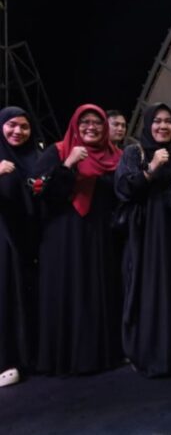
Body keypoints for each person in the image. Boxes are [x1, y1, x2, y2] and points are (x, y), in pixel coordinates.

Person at [35, 104, 124, 375]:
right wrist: (68, 165)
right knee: (66, 291)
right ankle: (64, 358)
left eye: (97, 122)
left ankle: (98, 357)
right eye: (85, 122)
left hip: (100, 237)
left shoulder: (116, 156)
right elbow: (40, 192)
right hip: (62, 237)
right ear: (75, 124)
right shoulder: (58, 151)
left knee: (97, 291)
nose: (91, 127)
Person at [115, 102, 171, 377]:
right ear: (148, 124)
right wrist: (152, 168)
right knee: (142, 289)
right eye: (157, 121)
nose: (163, 126)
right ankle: (143, 353)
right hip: (143, 235)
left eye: (168, 121)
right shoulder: (133, 153)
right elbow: (123, 188)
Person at [0, 107, 40, 387]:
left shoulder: (35, 158)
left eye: (24, 127)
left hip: (30, 241)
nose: (18, 131)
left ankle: (28, 358)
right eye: (12, 125)